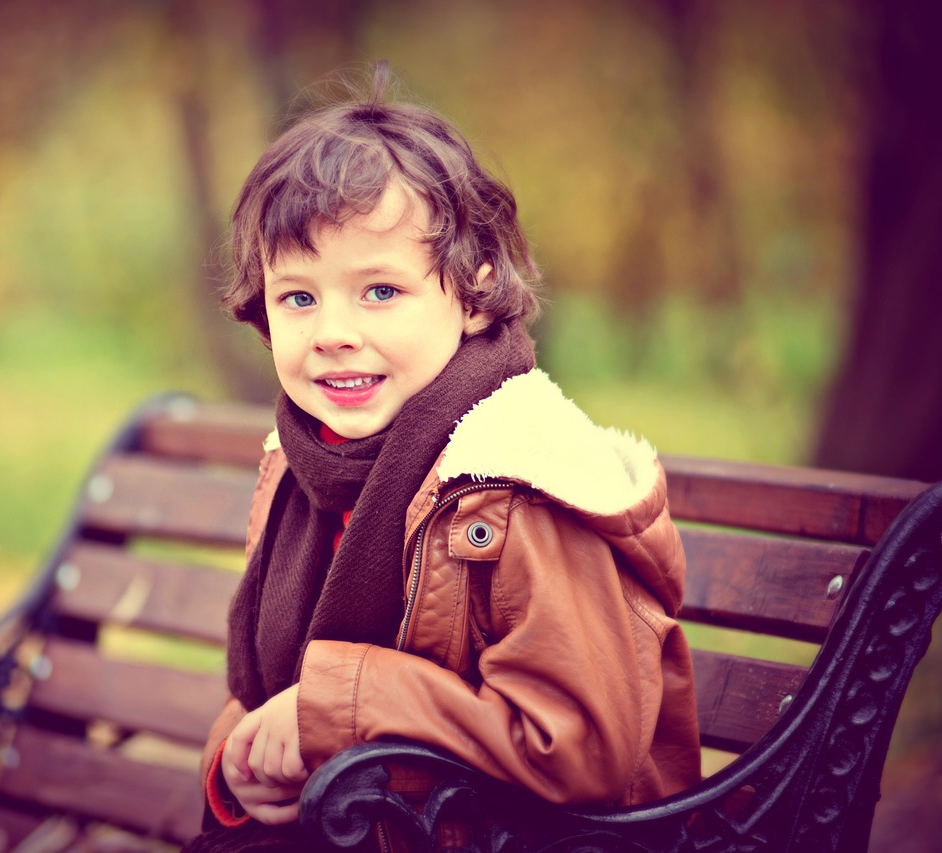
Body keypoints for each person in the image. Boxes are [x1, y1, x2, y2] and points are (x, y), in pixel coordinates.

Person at [185, 62, 701, 852]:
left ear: (472, 286)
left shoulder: (519, 481)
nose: (331, 332)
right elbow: (267, 694)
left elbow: (581, 746)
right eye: (299, 297)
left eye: (380, 291)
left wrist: (340, 707)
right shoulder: (301, 466)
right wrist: (236, 762)